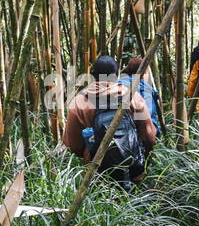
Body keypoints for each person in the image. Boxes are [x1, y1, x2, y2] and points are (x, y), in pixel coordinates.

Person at [62, 55, 157, 189]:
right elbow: (149, 136)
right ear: (117, 74)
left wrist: (90, 154)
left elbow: (73, 145)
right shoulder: (132, 96)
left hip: (96, 174)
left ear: (93, 75)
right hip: (132, 169)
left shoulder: (79, 102)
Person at [120, 56, 165, 147]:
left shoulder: (117, 84)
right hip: (140, 138)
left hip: (118, 134)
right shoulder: (145, 89)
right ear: (144, 73)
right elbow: (150, 118)